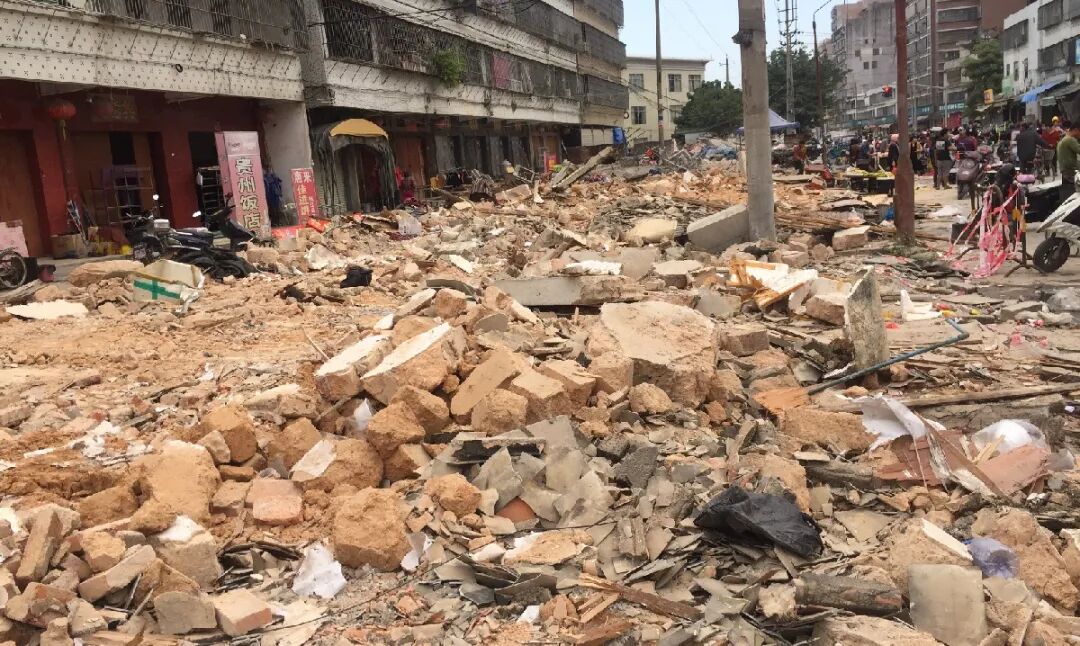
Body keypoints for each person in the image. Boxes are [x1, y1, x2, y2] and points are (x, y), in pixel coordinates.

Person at [1057, 121, 1080, 200]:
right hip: (1071, 172)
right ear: (1076, 130)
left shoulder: (1063, 139)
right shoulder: (1070, 140)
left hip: (1065, 172)